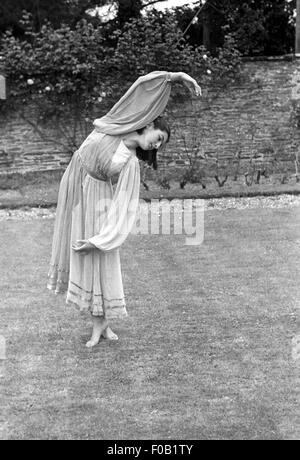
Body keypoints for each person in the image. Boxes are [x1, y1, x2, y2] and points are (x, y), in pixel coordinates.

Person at [47, 71, 201, 347]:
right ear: (149, 124)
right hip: (75, 187)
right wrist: (177, 77)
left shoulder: (130, 163)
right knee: (82, 257)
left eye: (160, 145)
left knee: (97, 256)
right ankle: (101, 324)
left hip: (95, 200)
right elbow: (141, 87)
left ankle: (100, 325)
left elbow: (125, 206)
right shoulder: (117, 123)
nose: (156, 144)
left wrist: (101, 238)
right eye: (158, 137)